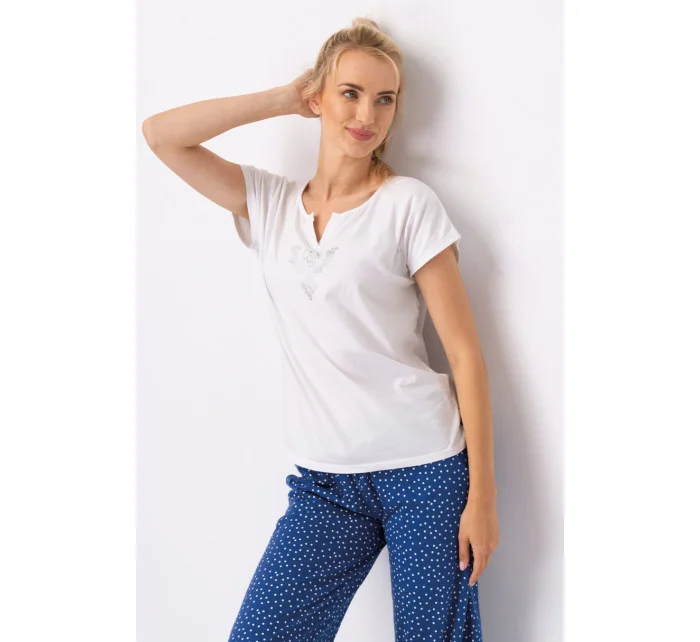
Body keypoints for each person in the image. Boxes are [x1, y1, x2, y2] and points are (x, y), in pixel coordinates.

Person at [143, 16, 499, 642]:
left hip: (425, 471)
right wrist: (282, 99)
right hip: (326, 484)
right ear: (319, 97)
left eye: (385, 99)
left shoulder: (409, 205)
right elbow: (161, 136)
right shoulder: (271, 204)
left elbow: (466, 356)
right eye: (350, 93)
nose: (367, 114)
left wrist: (484, 499)